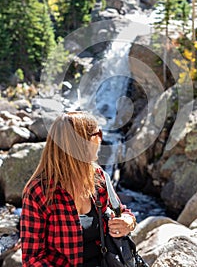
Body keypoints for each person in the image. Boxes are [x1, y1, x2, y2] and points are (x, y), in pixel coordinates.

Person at [20, 111, 136, 267]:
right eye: (98, 133)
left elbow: (121, 212)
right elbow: (32, 258)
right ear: (81, 143)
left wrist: (128, 222)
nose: (101, 140)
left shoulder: (98, 176)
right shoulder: (38, 192)